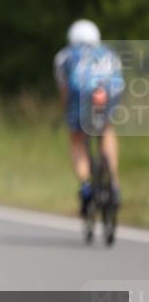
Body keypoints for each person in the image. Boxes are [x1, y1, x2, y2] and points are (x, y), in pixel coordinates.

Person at [53, 19, 124, 216]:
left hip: (81, 98)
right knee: (107, 130)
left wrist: (65, 112)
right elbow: (119, 82)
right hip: (107, 95)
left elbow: (65, 90)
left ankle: (86, 186)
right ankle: (114, 184)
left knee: (77, 139)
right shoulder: (110, 53)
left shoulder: (65, 56)